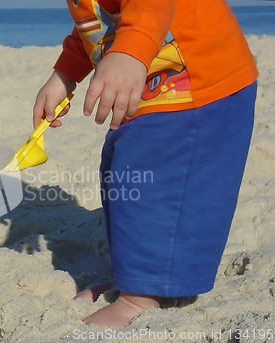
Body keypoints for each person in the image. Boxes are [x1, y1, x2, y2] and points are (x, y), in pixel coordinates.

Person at [32, 0, 258, 327]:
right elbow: (99, 20)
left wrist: (129, 51)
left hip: (200, 82)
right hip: (159, 85)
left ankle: (139, 298)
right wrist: (65, 75)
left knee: (151, 185)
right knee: (122, 175)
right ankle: (136, 275)